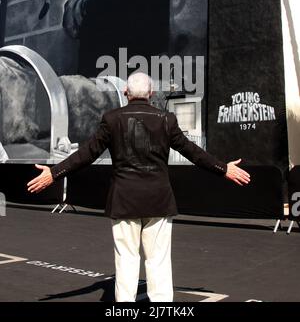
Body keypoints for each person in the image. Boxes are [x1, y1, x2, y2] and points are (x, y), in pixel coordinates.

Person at [27, 72, 251, 302]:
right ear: (151, 94)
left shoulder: (112, 119)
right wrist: (223, 168)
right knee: (158, 261)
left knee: (126, 259)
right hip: (159, 201)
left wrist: (54, 173)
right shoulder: (167, 119)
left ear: (126, 93)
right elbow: (193, 152)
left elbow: (87, 153)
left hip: (124, 201)